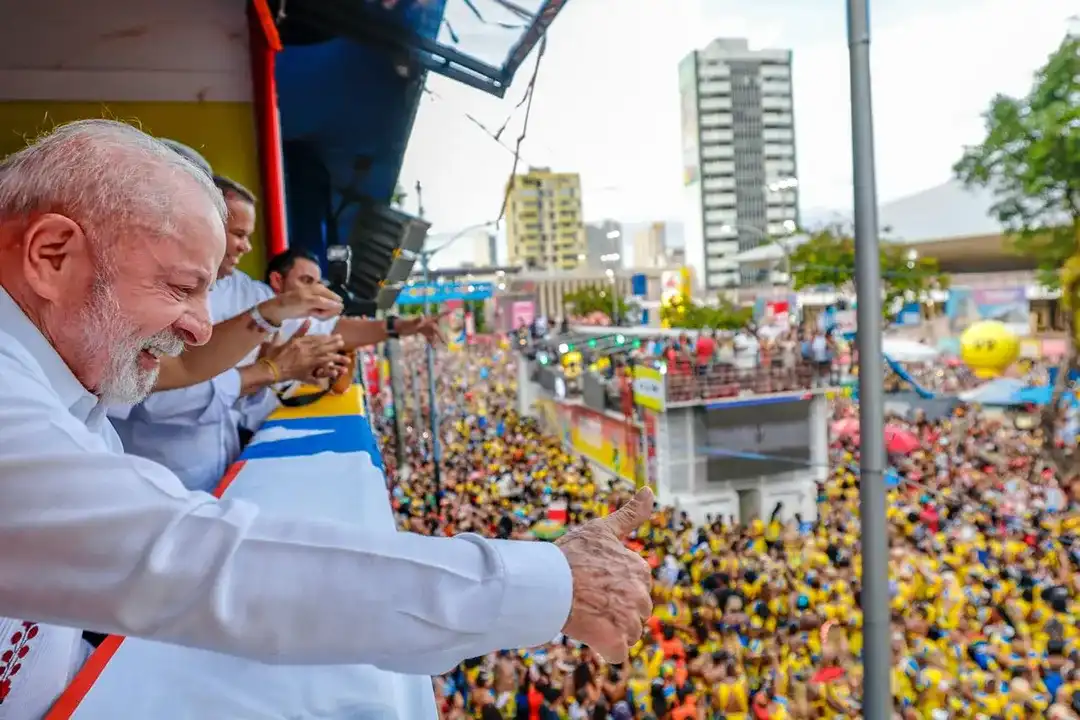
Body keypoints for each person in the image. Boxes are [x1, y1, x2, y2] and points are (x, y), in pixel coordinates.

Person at [0, 120, 653, 717]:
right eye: (178, 288)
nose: (202, 329)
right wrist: (546, 580)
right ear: (53, 255)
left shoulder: (65, 375)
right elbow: (188, 557)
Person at [111, 177, 442, 492]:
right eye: (237, 234)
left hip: (220, 460)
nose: (246, 246)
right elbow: (162, 391)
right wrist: (267, 371)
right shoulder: (143, 293)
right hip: (160, 473)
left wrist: (398, 326)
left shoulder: (247, 292)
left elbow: (328, 328)